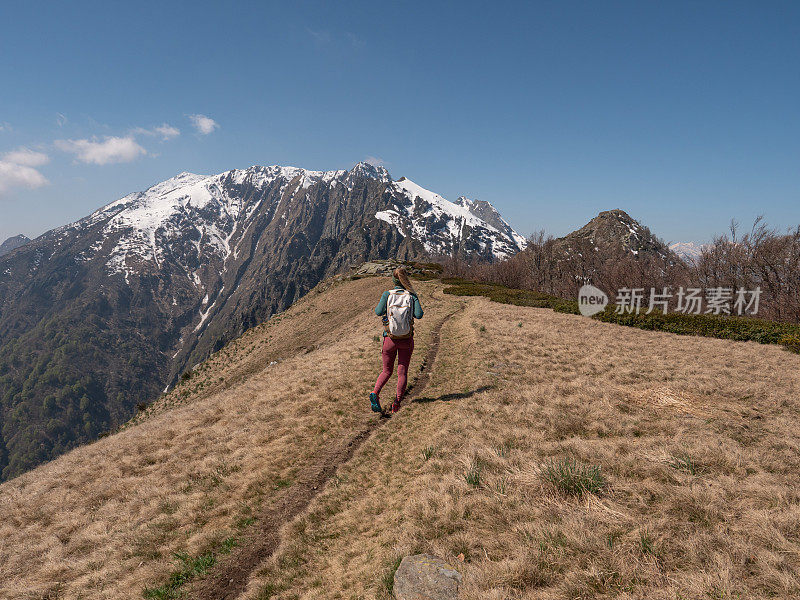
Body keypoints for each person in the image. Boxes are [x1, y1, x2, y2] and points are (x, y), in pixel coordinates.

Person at [370, 267, 424, 413]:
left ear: (394, 280)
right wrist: (415, 298)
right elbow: (419, 315)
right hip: (406, 339)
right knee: (402, 372)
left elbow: (378, 312)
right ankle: (397, 403)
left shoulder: (387, 294)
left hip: (389, 338)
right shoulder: (411, 296)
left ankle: (375, 393)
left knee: (386, 371)